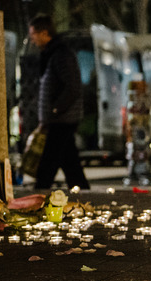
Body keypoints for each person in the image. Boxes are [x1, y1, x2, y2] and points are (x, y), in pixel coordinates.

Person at [27, 14, 89, 190]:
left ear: (45, 33)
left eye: (33, 35)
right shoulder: (53, 54)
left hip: (61, 119)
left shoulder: (60, 55)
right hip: (60, 118)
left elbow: (72, 87)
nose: (32, 40)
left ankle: (40, 193)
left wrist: (54, 110)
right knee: (70, 163)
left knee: (48, 163)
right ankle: (82, 191)